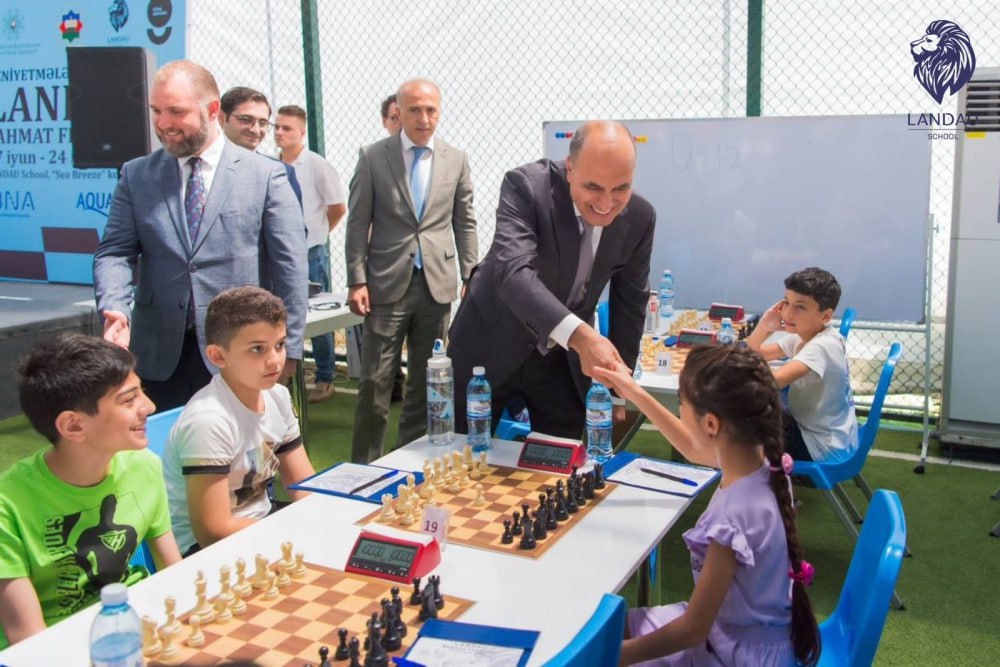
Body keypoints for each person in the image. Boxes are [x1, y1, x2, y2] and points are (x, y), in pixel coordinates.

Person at [93, 59, 307, 412]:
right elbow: (114, 252)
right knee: (166, 460)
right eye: (156, 111)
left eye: (175, 112)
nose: (163, 124)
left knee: (247, 463)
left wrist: (291, 347)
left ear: (211, 111)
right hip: (161, 357)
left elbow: (291, 267)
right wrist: (115, 307)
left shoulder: (266, 176)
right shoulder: (137, 175)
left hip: (240, 352)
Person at [592, 346, 820, 666]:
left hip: (734, 653)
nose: (681, 410)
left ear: (712, 425)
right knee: (610, 626)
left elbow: (692, 631)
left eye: (682, 404)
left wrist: (608, 658)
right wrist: (632, 391)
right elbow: (693, 448)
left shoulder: (735, 517)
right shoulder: (756, 463)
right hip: (734, 632)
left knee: (601, 645)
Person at [448, 121, 654, 439]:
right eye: (594, 187)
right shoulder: (526, 187)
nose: (606, 203)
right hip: (489, 346)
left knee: (559, 468)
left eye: (621, 188)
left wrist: (616, 385)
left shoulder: (641, 217)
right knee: (459, 457)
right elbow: (513, 273)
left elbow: (630, 302)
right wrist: (583, 338)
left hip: (562, 364)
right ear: (569, 169)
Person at [0, 334, 181, 648]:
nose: (149, 407)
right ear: (73, 426)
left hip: (141, 627)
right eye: (129, 399)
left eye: (143, 393)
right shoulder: (8, 505)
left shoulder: (145, 466)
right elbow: (27, 637)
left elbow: (173, 572)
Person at [345, 78, 477, 462]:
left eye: (431, 110)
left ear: (440, 111)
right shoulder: (373, 156)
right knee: (375, 381)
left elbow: (464, 221)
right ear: (398, 112)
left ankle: (413, 460)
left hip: (437, 285)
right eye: (415, 110)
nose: (424, 118)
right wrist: (357, 278)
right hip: (385, 284)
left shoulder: (456, 158)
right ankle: (364, 465)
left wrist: (472, 275)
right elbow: (357, 222)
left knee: (429, 379)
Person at [162, 287, 316, 556]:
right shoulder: (209, 421)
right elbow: (213, 530)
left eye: (279, 345)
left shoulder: (278, 397)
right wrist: (288, 533)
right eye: (257, 349)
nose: (274, 361)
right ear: (218, 356)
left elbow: (304, 487)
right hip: (204, 552)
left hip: (262, 524)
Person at [745, 267, 858, 462]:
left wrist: (742, 366)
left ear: (825, 316)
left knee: (741, 419)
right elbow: (753, 353)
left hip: (820, 445)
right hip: (826, 432)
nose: (788, 313)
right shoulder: (805, 335)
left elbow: (774, 381)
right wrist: (764, 327)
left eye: (800, 307)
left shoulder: (822, 345)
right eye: (787, 303)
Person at [275, 105, 347, 404]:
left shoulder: (317, 165)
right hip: (279, 254)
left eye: (286, 128)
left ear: (302, 132)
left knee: (317, 318)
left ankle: (325, 377)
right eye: (276, 127)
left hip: (310, 253)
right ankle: (289, 371)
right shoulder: (269, 164)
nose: (279, 133)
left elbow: (338, 207)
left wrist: (317, 236)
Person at [218, 86, 303, 204]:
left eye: (263, 123)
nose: (255, 130)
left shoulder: (281, 172)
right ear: (221, 118)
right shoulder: (200, 166)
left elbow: (293, 221)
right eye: (246, 119)